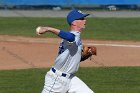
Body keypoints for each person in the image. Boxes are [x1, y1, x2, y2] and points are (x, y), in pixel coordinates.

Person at [36, 9, 94, 93]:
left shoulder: (74, 37)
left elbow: (71, 58)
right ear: (74, 22)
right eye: (81, 19)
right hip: (56, 80)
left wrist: (83, 56)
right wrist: (48, 29)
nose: (85, 20)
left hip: (70, 79)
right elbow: (70, 37)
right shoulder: (72, 36)